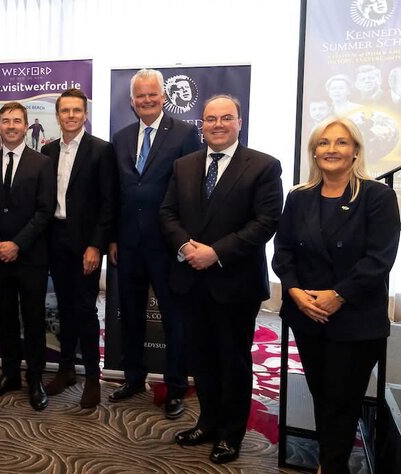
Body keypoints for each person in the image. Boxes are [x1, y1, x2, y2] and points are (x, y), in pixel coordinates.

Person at [159, 95, 282, 464]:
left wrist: (215, 252)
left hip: (234, 283)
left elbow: (265, 223)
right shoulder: (184, 165)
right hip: (190, 279)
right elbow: (166, 213)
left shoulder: (263, 166)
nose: (217, 124)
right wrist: (185, 247)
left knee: (233, 361)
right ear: (202, 124)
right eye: (210, 119)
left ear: (239, 122)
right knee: (201, 358)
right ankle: (208, 423)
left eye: (225, 118)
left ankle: (231, 434)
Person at [273, 117, 400, 473]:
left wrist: (338, 296)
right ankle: (331, 459)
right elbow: (282, 251)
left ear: (356, 150)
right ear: (314, 151)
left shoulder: (378, 196)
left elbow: (380, 259)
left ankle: (331, 465)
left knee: (342, 399)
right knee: (321, 392)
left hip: (355, 319)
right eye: (324, 143)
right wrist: (295, 292)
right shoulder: (299, 197)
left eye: (341, 142)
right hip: (307, 313)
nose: (332, 150)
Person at [108, 69, 201, 419]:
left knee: (173, 317)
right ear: (131, 102)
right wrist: (113, 237)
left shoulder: (184, 133)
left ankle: (176, 386)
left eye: (152, 95)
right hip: (128, 244)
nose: (146, 100)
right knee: (130, 314)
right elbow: (116, 192)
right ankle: (133, 378)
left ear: (163, 97)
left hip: (168, 245)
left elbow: (191, 192)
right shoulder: (121, 136)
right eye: (140, 96)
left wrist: (185, 241)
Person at [40, 88, 116, 409]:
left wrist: (96, 245)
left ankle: (92, 380)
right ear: (57, 116)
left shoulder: (101, 150)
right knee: (64, 308)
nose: (70, 116)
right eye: (64, 111)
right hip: (54, 239)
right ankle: (66, 369)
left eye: (76, 111)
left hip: (85, 243)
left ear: (85, 115)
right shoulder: (47, 150)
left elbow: (108, 203)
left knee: (85, 310)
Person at [0, 102, 56, 411]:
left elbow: (44, 210)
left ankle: (34, 380)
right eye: (5, 121)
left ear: (26, 126)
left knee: (34, 320)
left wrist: (17, 245)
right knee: (6, 319)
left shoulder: (42, 162)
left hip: (31, 256)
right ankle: (10, 374)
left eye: (16, 121)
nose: (11, 126)